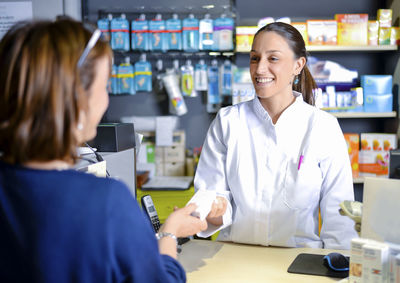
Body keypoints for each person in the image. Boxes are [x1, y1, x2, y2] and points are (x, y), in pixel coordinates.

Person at [0, 19, 207, 282]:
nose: (106, 100)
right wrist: (169, 234)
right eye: (104, 87)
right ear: (75, 100)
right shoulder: (104, 202)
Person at [193, 22, 358, 249]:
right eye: (254, 58)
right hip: (234, 256)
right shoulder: (228, 122)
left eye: (273, 59)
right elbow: (212, 199)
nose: (260, 69)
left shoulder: (323, 127)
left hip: (298, 260)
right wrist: (212, 211)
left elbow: (340, 216)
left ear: (298, 65)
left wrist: (337, 267)